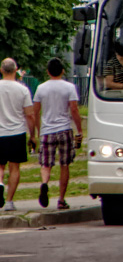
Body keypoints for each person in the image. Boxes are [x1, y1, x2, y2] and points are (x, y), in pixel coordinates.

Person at [32, 58, 82, 210]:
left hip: (47, 131)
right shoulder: (69, 87)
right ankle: (61, 199)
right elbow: (74, 109)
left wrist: (37, 131)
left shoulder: (41, 88)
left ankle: (44, 183)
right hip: (64, 129)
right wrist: (79, 130)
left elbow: (35, 111)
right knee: (64, 164)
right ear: (62, 71)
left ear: (47, 72)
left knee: (45, 163)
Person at [0, 59, 34, 212]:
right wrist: (32, 135)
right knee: (14, 168)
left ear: (1, 70)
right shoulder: (23, 90)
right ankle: (9, 201)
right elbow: (30, 114)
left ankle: (0, 184)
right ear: (16, 70)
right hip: (16, 132)